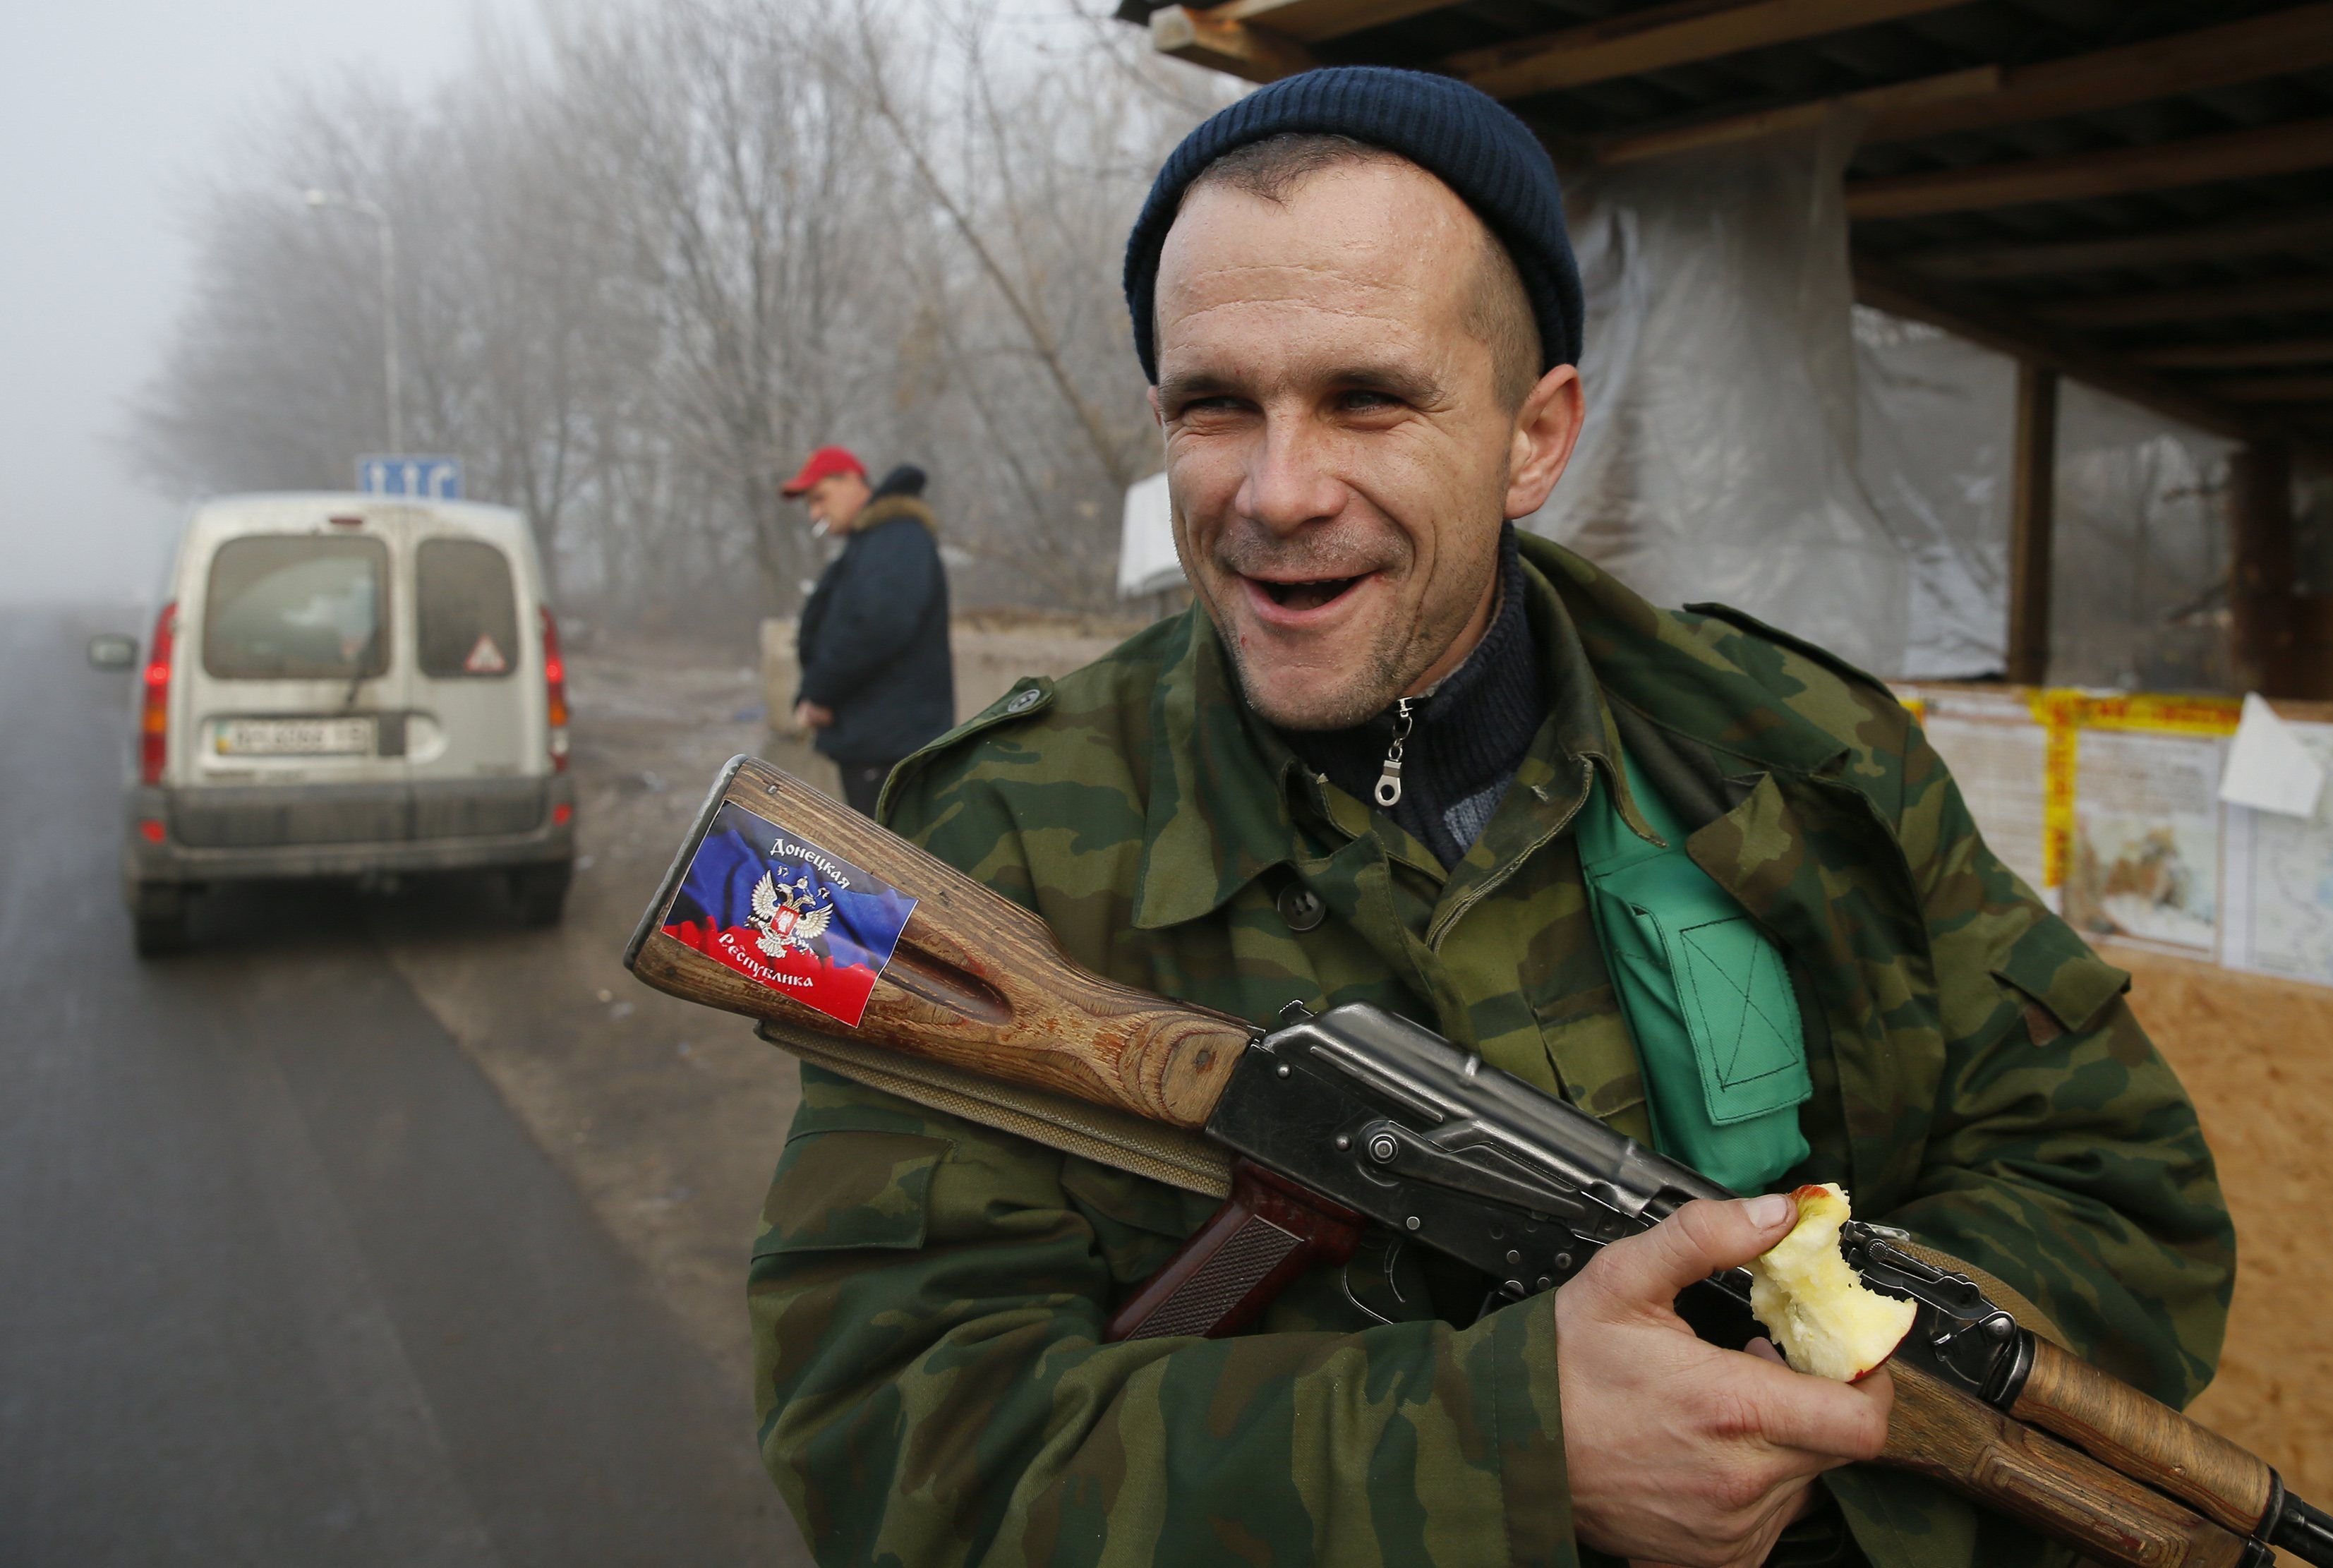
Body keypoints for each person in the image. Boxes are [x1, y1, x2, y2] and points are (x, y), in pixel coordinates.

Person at [750, 68, 2232, 1568]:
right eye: (1215, 406)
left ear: (1536, 436)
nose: (1276, 491)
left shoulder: (1797, 751)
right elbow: (894, 1449)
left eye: (1367, 398)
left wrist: (1813, 1445)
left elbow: (2121, 1199)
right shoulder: (975, 841)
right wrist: (1505, 1449)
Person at [779, 447, 954, 817]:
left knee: (887, 864)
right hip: (875, 740)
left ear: (852, 480)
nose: (815, 514)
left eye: (819, 498)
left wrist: (820, 692)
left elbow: (881, 623)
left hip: (890, 745)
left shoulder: (897, 538)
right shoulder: (875, 543)